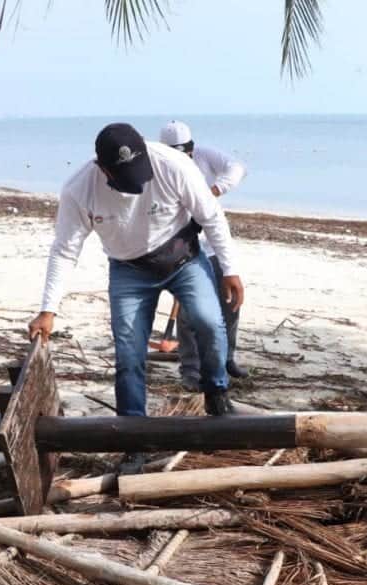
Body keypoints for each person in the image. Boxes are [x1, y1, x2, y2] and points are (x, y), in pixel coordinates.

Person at [28, 123, 244, 471]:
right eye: (126, 176)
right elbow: (65, 251)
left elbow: (212, 217)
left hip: (183, 256)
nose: (137, 182)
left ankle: (217, 392)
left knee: (208, 321)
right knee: (128, 353)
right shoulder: (79, 190)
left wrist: (230, 269)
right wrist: (47, 310)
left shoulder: (173, 165)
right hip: (129, 270)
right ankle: (133, 440)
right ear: (104, 169)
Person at [159, 120, 249, 390]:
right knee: (188, 312)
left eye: (185, 151)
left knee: (230, 305)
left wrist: (214, 190)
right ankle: (190, 370)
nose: (182, 157)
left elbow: (238, 168)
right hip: (183, 248)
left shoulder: (204, 157)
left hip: (215, 246)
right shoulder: (159, 169)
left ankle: (227, 359)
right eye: (175, 152)